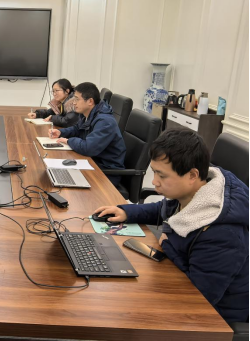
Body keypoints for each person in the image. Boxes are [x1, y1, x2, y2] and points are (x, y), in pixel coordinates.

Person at [94, 129, 249, 324]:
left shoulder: (222, 234)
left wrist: (167, 247)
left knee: (119, 314)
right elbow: (164, 208)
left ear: (192, 175)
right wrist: (128, 212)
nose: (154, 181)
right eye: (154, 172)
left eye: (161, 175)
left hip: (213, 319)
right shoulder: (193, 191)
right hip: (183, 290)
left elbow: (198, 297)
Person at [48, 82, 126, 186]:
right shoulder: (88, 113)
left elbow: (88, 148)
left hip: (106, 172)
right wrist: (61, 132)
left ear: (90, 101)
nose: (73, 103)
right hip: (92, 163)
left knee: (63, 183)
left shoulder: (105, 122)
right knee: (56, 174)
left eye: (77, 99)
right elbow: (78, 128)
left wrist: (68, 141)